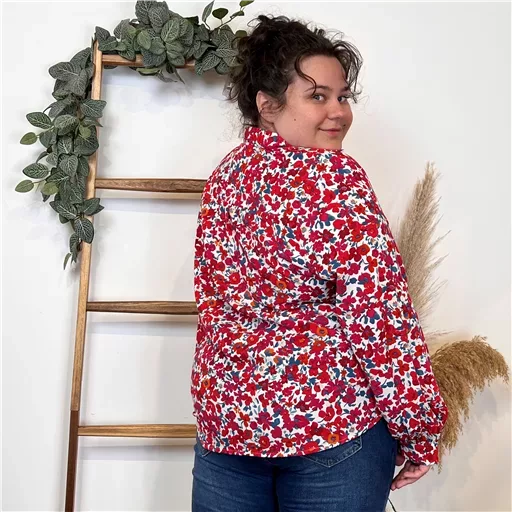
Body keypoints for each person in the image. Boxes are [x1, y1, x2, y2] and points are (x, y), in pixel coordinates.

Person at [190, 14, 448, 512]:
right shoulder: (337, 179)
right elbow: (380, 316)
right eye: (317, 96)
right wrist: (418, 430)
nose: (338, 112)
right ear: (267, 105)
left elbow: (213, 302)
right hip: (330, 431)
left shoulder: (225, 177)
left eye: (343, 96)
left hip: (229, 427)